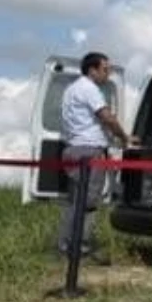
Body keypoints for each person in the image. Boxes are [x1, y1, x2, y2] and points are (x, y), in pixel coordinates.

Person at [57, 51, 138, 263]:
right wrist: (124, 137)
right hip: (89, 151)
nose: (108, 74)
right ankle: (80, 248)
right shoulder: (89, 89)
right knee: (89, 202)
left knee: (75, 201)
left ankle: (66, 244)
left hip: (73, 149)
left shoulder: (71, 89)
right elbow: (106, 117)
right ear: (92, 70)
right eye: (105, 70)